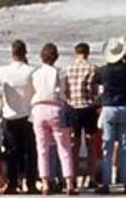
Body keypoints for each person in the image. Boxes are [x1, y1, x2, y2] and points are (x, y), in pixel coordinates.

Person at [95, 37, 126, 195]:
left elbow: (96, 80)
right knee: (125, 146)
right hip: (125, 107)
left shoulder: (103, 71)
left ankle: (106, 183)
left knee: (107, 146)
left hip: (109, 107)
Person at [30, 43, 75, 195]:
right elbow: (64, 93)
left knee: (42, 148)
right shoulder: (59, 73)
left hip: (38, 110)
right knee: (64, 147)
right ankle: (69, 183)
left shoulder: (35, 73)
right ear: (56, 57)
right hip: (55, 108)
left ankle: (45, 182)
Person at [0, 40, 38, 193]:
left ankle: (13, 182)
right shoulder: (31, 70)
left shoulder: (3, 70)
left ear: (12, 53)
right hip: (27, 114)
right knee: (29, 152)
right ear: (25, 53)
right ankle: (31, 183)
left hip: (9, 114)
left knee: (11, 151)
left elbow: (0, 91)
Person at [65, 43, 101, 190]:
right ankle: (91, 177)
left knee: (74, 144)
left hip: (73, 107)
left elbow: (66, 90)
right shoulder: (93, 68)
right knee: (91, 143)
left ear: (76, 52)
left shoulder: (69, 68)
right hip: (88, 107)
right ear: (88, 53)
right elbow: (94, 91)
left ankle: (72, 177)